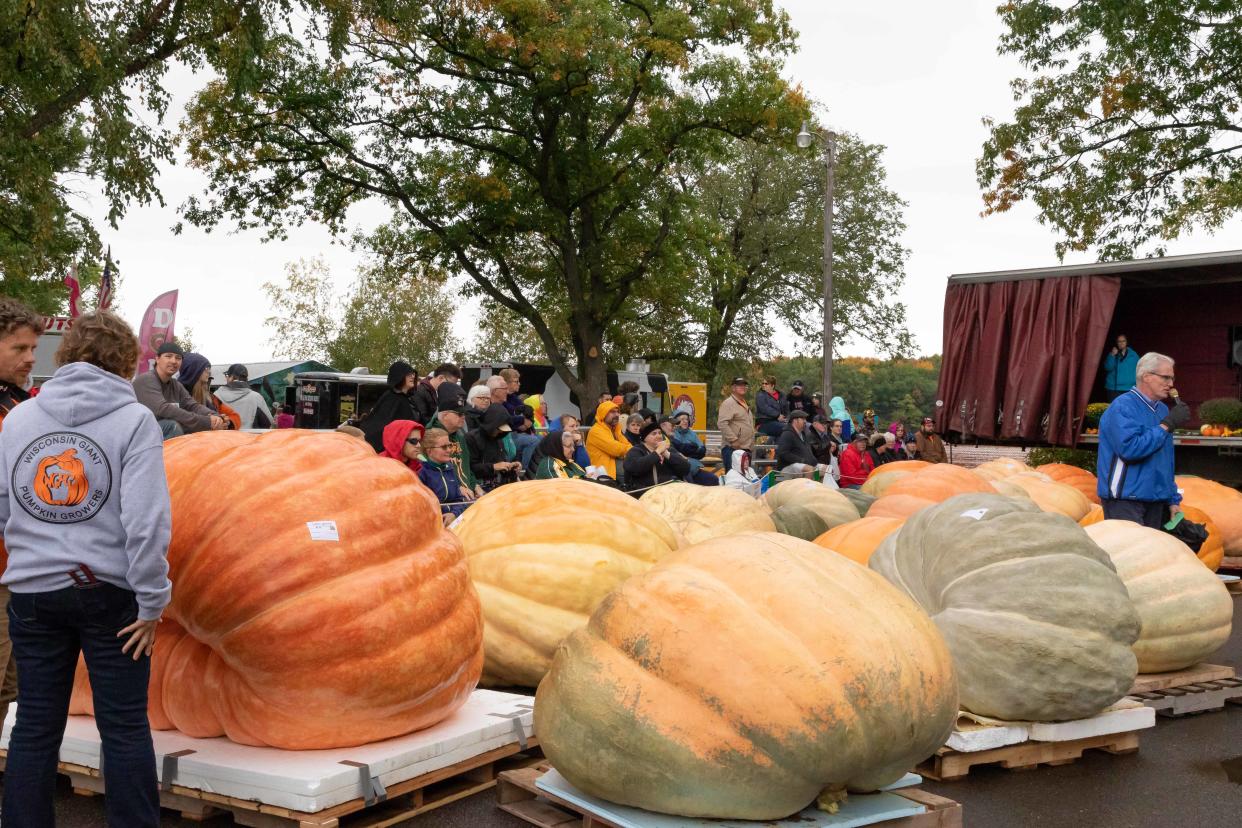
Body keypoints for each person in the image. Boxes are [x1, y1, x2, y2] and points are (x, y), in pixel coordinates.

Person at [0, 310, 171, 827]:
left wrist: (34, 555)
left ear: (66, 353)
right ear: (125, 363)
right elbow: (146, 521)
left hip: (32, 592)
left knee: (33, 724)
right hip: (108, 592)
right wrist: (152, 600)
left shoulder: (20, 420)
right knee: (122, 726)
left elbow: (7, 506)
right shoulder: (134, 420)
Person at [0, 297, 41, 751]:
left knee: (7, 688)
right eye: (21, 348)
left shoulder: (18, 402)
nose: (32, 357)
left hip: (16, 569)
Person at [1097, 352, 1189, 528]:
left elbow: (1164, 460)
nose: (1171, 384)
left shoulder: (1161, 410)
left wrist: (1172, 500)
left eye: (1172, 378)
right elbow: (1130, 450)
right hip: (1125, 499)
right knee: (1127, 554)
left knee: (1151, 555)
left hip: (1155, 498)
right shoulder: (1123, 407)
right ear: (1146, 376)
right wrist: (1166, 425)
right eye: (1165, 377)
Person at [132, 342, 227, 438]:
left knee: (189, 427)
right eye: (168, 356)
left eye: (178, 358)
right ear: (157, 359)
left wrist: (217, 417)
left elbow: (193, 406)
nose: (174, 361)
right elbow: (163, 409)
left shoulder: (176, 385)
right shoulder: (146, 379)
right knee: (172, 426)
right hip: (137, 435)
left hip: (158, 433)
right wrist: (207, 421)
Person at [428, 382, 483, 499]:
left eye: (464, 413)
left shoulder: (460, 435)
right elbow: (430, 474)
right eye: (459, 414)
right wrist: (456, 488)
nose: (463, 416)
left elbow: (466, 468)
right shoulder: (429, 436)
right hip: (447, 501)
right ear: (445, 415)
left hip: (466, 499)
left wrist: (475, 485)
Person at [360, 360, 419, 452]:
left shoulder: (408, 399)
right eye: (408, 374)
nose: (413, 376)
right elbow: (379, 427)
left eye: (413, 374)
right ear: (399, 376)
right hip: (390, 451)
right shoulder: (391, 397)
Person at [623, 421, 691, 495]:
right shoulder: (636, 451)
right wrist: (657, 452)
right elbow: (635, 468)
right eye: (654, 434)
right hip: (646, 495)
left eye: (659, 433)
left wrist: (667, 454)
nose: (658, 436)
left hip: (672, 492)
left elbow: (686, 468)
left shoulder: (669, 450)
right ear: (645, 438)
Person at [418, 428, 469, 524]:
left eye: (450, 445)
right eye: (444, 447)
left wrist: (453, 514)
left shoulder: (449, 468)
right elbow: (423, 507)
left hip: (454, 520)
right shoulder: (421, 472)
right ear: (429, 451)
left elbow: (459, 500)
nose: (449, 450)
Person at [178, 352, 241, 430]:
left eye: (209, 368)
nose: (209, 372)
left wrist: (227, 423)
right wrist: (210, 424)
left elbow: (234, 416)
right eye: (205, 368)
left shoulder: (211, 398)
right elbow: (178, 425)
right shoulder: (176, 395)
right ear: (193, 371)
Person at [468, 404, 522, 491]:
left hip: (498, 485)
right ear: (491, 424)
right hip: (481, 485)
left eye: (502, 431)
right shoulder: (472, 438)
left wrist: (511, 467)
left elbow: (501, 464)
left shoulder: (498, 439)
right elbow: (470, 468)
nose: (500, 432)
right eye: (499, 429)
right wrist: (493, 467)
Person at [660, 416, 717, 486]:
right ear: (663, 426)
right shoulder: (664, 438)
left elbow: (701, 451)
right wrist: (692, 449)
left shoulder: (690, 433)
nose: (674, 427)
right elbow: (681, 451)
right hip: (678, 472)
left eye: (687, 419)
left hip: (691, 468)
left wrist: (692, 450)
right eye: (672, 425)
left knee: (712, 479)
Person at [214, 364, 273, 429]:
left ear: (230, 377)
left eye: (226, 375)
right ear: (246, 379)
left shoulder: (216, 395)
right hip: (249, 437)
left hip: (222, 437)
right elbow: (269, 423)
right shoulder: (256, 397)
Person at [776, 410, 830, 480]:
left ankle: (817, 488)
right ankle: (806, 490)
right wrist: (801, 460)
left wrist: (814, 462)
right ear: (795, 420)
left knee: (826, 469)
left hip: (800, 466)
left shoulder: (803, 435)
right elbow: (783, 453)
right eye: (802, 419)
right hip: (786, 468)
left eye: (805, 419)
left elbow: (808, 453)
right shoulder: (787, 434)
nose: (805, 421)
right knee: (809, 469)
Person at [586, 400, 631, 480]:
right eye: (612, 412)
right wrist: (628, 450)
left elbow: (629, 446)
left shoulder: (616, 429)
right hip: (604, 473)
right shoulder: (596, 431)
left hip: (616, 468)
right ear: (603, 414)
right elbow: (616, 449)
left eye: (617, 412)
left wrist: (629, 450)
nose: (617, 415)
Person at [717, 377, 755, 472]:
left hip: (745, 449)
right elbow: (722, 423)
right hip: (732, 449)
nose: (743, 387)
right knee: (733, 480)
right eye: (739, 385)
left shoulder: (744, 403)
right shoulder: (728, 403)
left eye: (744, 385)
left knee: (744, 480)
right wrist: (733, 440)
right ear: (733, 388)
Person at [534, 430, 601, 480]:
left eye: (573, 446)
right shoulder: (548, 465)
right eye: (569, 446)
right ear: (557, 446)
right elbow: (563, 487)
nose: (573, 449)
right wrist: (586, 479)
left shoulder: (572, 463)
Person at [1103, 334, 1139, 402]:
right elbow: (1108, 368)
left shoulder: (1134, 355)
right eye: (1119, 341)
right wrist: (1112, 355)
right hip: (1114, 389)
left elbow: (1140, 369)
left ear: (1127, 342)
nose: (1121, 343)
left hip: (1129, 388)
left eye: (1123, 341)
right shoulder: (1112, 354)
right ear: (1116, 343)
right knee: (1115, 411)